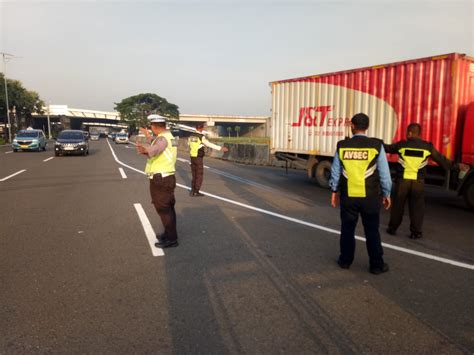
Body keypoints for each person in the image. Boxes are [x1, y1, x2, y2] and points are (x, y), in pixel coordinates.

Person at [329, 113, 392, 274]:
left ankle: (345, 261)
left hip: (349, 196)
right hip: (370, 197)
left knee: (347, 229)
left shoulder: (342, 145)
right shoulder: (376, 145)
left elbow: (336, 171)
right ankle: (377, 265)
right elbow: (385, 174)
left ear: (352, 127)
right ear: (367, 127)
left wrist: (334, 190)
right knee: (372, 230)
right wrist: (386, 193)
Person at [384, 123, 465, 239]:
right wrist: (457, 166)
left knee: (398, 206)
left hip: (403, 182)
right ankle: (416, 232)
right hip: (418, 183)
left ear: (410, 133)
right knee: (417, 208)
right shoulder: (427, 147)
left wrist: (375, 143)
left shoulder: (402, 145)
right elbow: (442, 161)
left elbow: (387, 148)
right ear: (419, 134)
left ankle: (392, 228)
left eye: (407, 132)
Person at [136, 114, 179, 249]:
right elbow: (162, 148)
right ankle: (169, 234)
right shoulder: (172, 137)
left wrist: (147, 149)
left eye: (151, 127)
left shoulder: (163, 138)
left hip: (160, 179)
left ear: (154, 126)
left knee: (163, 209)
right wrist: (149, 139)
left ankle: (172, 239)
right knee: (169, 208)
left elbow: (157, 147)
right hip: (168, 177)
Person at [188, 124, 228, 196]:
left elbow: (189, 144)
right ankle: (196, 191)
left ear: (196, 128)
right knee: (199, 174)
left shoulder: (191, 136)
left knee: (194, 174)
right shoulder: (201, 137)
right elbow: (209, 144)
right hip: (198, 157)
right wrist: (220, 148)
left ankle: (192, 190)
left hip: (192, 157)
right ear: (201, 128)